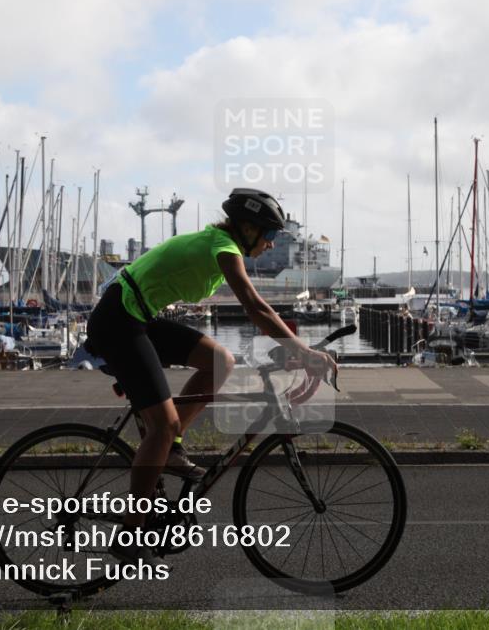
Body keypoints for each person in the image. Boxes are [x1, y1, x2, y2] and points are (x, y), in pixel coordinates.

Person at [86, 188, 337, 566]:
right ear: (248, 228)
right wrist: (304, 352)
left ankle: (168, 448)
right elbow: (255, 307)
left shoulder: (221, 244)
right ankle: (130, 532)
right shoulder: (223, 246)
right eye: (269, 234)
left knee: (221, 361)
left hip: (137, 317)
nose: (271, 244)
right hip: (119, 321)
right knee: (162, 426)